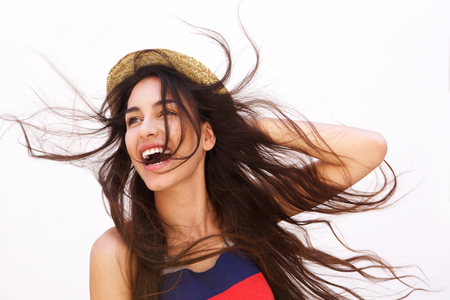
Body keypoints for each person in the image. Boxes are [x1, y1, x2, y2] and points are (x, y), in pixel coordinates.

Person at [9, 31, 425, 300]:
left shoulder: (249, 215)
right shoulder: (118, 253)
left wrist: (243, 125)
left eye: (167, 112)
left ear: (207, 136)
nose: (146, 129)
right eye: (133, 120)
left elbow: (366, 150)